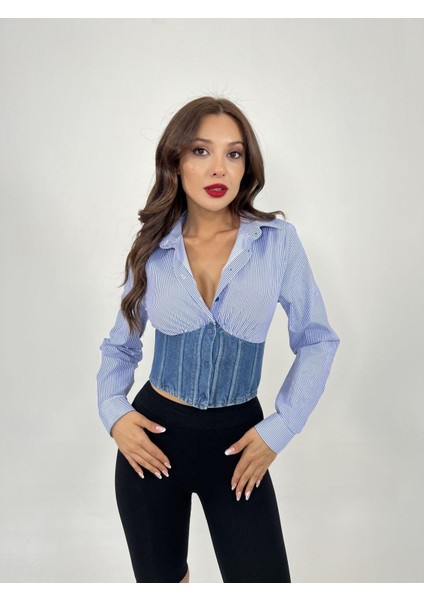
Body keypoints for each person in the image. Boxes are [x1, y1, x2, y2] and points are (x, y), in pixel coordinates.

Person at [96, 96, 340, 583]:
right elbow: (120, 346)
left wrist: (281, 428)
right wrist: (114, 413)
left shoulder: (277, 242)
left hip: (239, 447)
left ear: (247, 165)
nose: (219, 168)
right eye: (201, 151)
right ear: (176, 161)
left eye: (234, 153)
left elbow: (317, 340)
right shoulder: (153, 248)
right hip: (152, 444)